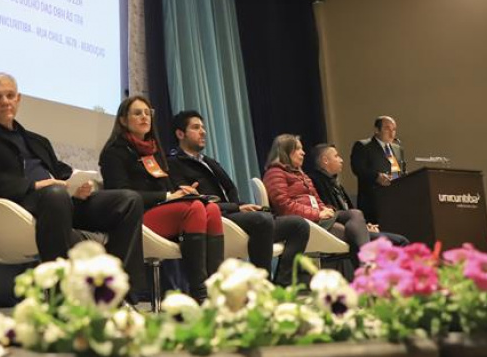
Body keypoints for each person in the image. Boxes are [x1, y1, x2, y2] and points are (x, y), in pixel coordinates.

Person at [0, 73, 146, 292]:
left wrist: (78, 185)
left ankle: (120, 293)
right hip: (18, 206)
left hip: (61, 202)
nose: (5, 101)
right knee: (55, 194)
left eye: (10, 95)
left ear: (18, 99)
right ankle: (59, 295)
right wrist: (35, 186)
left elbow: (62, 171)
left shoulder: (37, 140)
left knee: (128, 200)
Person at [98, 97, 222, 302]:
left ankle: (216, 289)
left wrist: (181, 192)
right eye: (137, 113)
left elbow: (165, 186)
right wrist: (167, 196)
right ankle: (199, 294)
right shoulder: (114, 152)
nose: (144, 117)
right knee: (195, 208)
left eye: (148, 113)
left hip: (163, 211)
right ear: (123, 120)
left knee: (212, 209)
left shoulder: (154, 150)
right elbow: (120, 195)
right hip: (135, 218)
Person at [167, 110, 310, 286]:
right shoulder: (174, 164)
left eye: (203, 127)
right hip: (212, 219)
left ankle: (282, 283)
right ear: (180, 134)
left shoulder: (208, 161)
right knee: (261, 220)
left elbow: (230, 188)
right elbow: (190, 202)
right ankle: (261, 286)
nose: (203, 132)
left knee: (298, 225)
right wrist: (236, 208)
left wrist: (241, 206)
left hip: (232, 214)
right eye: (196, 128)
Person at [263, 134, 369, 265]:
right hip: (305, 223)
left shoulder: (301, 174)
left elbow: (316, 199)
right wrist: (317, 214)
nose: (303, 153)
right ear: (286, 152)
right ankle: (366, 268)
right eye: (298, 149)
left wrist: (325, 209)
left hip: (318, 219)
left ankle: (366, 266)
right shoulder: (275, 173)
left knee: (355, 214)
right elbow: (284, 206)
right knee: (357, 235)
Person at [309, 144, 409, 247]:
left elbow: (349, 211)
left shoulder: (334, 182)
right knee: (401, 241)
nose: (341, 160)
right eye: (336, 156)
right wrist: (362, 228)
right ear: (325, 160)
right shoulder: (315, 181)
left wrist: (363, 225)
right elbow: (332, 214)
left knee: (398, 239)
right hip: (341, 230)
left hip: (352, 227)